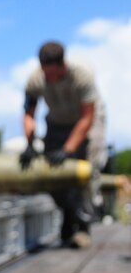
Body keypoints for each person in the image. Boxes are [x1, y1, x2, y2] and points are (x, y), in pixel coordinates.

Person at [19, 41, 106, 248]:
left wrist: (69, 149)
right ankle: (68, 215)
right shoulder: (36, 80)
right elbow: (29, 114)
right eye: (46, 73)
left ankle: (83, 226)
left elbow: (87, 117)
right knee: (52, 172)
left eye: (55, 73)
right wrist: (30, 143)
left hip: (86, 122)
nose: (51, 78)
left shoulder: (81, 77)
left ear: (62, 65)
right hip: (57, 121)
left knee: (85, 171)